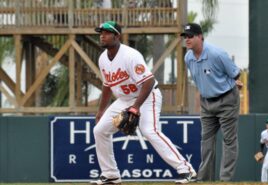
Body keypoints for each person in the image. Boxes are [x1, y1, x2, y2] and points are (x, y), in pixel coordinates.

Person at [91, 21, 196, 185]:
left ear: (116, 36)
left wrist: (136, 107)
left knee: (149, 131)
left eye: (106, 32)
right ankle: (110, 175)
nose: (102, 35)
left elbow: (148, 82)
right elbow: (107, 85)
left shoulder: (130, 55)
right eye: (101, 32)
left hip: (147, 96)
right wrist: (101, 110)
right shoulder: (103, 58)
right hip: (124, 99)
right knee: (99, 130)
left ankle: (186, 170)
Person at [180, 23, 243, 182]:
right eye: (185, 37)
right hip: (207, 102)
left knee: (229, 141)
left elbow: (235, 73)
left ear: (200, 36)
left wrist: (235, 82)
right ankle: (205, 179)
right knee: (206, 141)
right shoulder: (188, 57)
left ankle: (225, 179)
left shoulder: (217, 54)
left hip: (227, 99)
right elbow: (199, 79)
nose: (187, 39)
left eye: (191, 36)